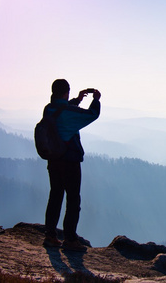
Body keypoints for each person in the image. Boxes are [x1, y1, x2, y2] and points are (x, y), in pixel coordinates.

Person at [42, 79, 101, 251]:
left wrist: (77, 99)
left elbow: (63, 109)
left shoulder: (49, 109)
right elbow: (91, 115)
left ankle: (50, 236)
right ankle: (70, 239)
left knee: (55, 196)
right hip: (70, 161)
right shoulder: (69, 111)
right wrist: (96, 100)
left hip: (53, 159)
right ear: (66, 92)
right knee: (73, 200)